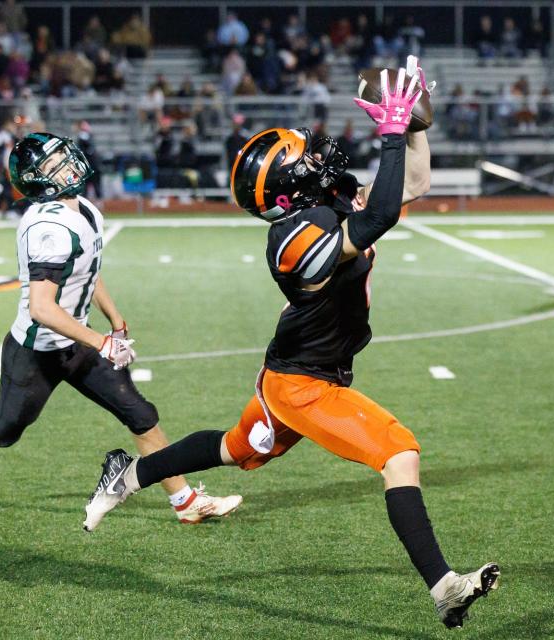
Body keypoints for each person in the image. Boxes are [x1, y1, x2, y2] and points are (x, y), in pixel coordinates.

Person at [83, 58, 500, 629]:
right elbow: (377, 218)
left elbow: (415, 185)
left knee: (235, 450)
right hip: (306, 385)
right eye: (304, 157)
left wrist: (417, 122)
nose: (318, 156)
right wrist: (393, 132)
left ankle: (125, 477)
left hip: (294, 375)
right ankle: (444, 586)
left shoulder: (324, 204)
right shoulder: (293, 237)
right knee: (399, 452)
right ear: (289, 186)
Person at [0, 132, 242, 524]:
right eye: (53, 165)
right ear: (37, 179)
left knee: (140, 414)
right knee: (2, 432)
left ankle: (184, 502)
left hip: (77, 341)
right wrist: (101, 342)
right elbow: (42, 308)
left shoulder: (84, 209)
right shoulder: (49, 228)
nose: (67, 165)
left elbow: (87, 272)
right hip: (37, 350)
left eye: (63, 157)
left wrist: (116, 320)